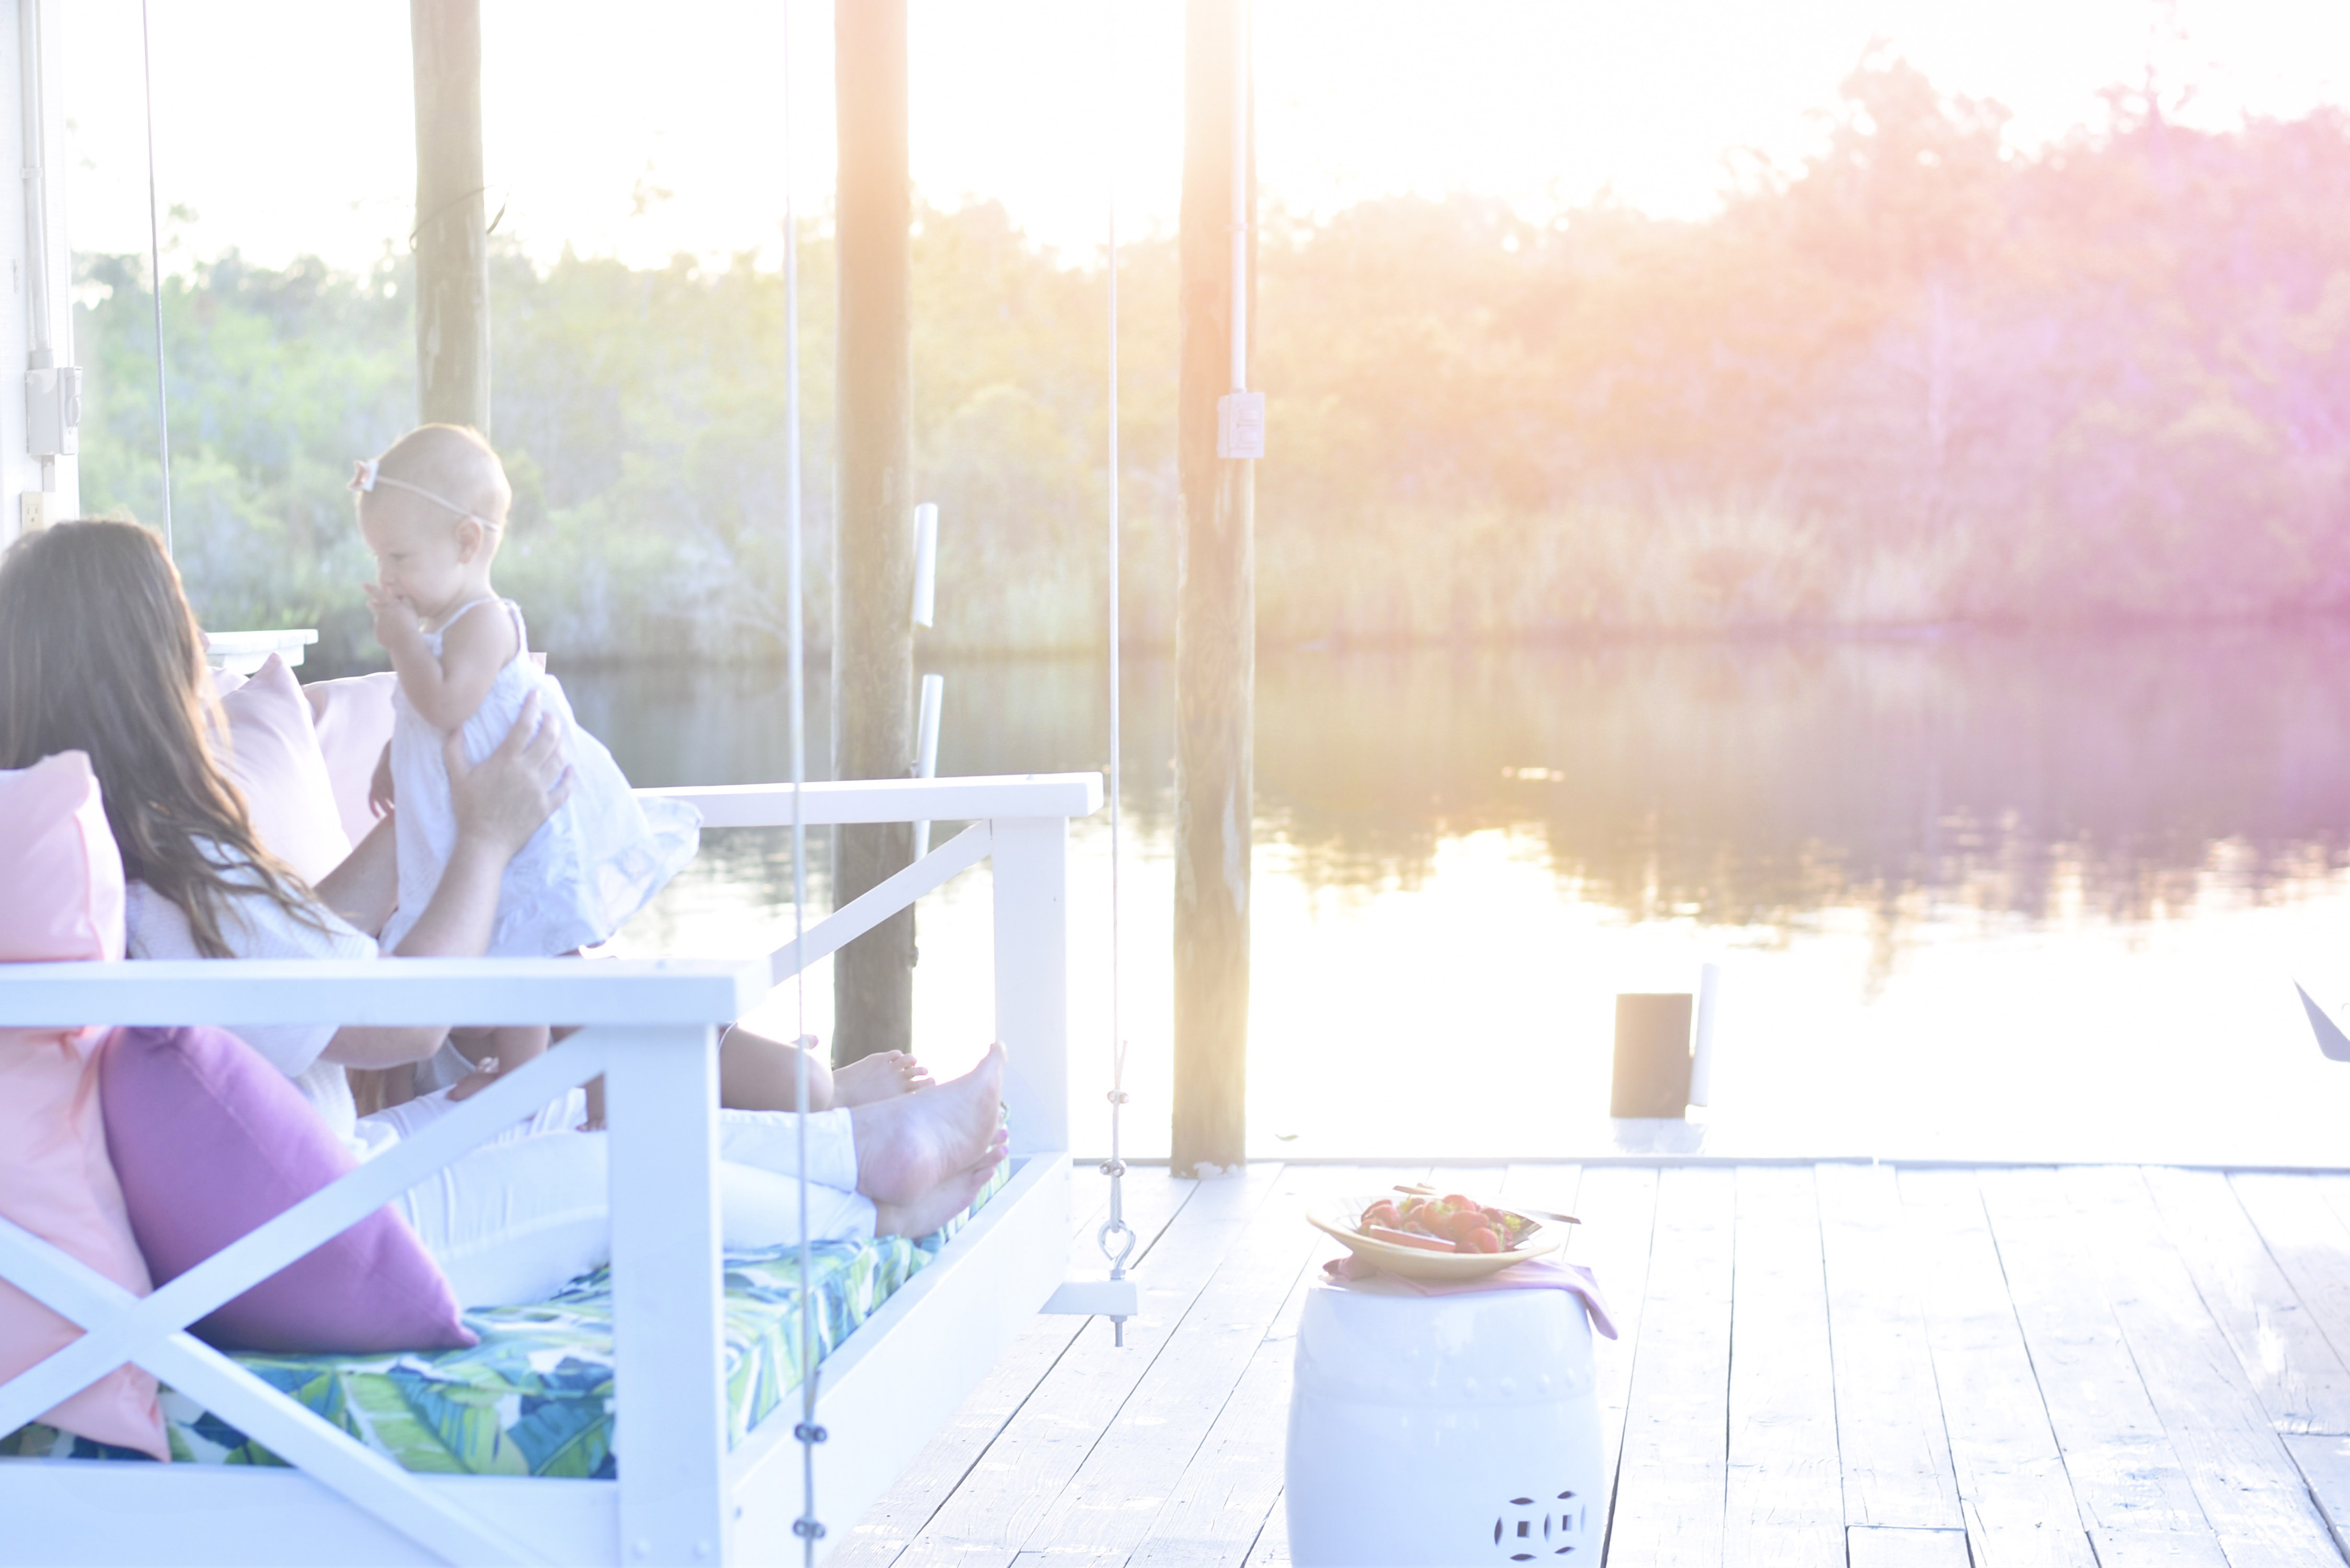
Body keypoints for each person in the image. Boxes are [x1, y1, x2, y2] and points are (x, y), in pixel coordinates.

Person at [0, 518, 1005, 1307]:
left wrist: (429, 813)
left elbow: (287, 952)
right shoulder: (179, 877)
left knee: (558, 1103)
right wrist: (481, 837)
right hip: (338, 1234)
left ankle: (858, 1151)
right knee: (605, 1169)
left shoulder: (125, 866)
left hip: (315, 1197)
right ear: (149, 674)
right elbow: (405, 1018)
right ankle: (869, 1193)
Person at [353, 423, 697, 1104]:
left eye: (399, 558)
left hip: (525, 827)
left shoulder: (482, 621)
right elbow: (427, 719)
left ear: (467, 544)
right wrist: (394, 758)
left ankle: (554, 1077)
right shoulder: (442, 631)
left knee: (540, 950)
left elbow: (449, 705)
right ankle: (545, 1080)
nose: (387, 580)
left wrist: (399, 644)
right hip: (487, 820)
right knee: (521, 950)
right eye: (379, 560)